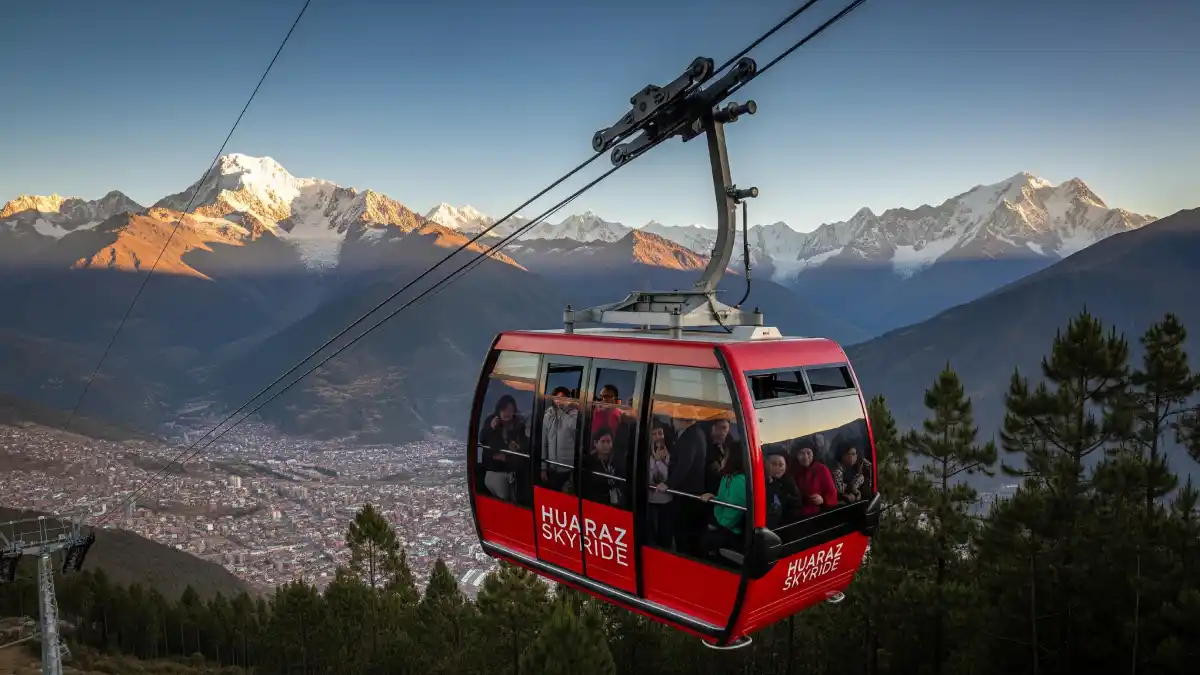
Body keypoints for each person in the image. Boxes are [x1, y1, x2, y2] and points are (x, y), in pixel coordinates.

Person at [699, 448, 747, 557]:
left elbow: (729, 519)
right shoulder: (726, 477)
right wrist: (715, 498)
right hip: (723, 520)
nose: (721, 459)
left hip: (735, 530)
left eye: (725, 456)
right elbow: (722, 499)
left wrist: (717, 506)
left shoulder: (739, 481)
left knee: (705, 539)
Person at [479, 395, 527, 502]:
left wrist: (517, 446)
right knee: (503, 498)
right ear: (499, 410)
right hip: (495, 469)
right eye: (504, 410)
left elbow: (524, 443)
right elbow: (482, 439)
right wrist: (491, 428)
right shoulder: (491, 421)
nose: (507, 413)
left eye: (510, 410)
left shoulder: (518, 423)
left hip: (513, 468)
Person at [541, 386, 577, 492]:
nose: (559, 401)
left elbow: (577, 436)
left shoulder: (574, 415)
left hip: (568, 468)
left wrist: (566, 413)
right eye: (556, 398)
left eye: (563, 398)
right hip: (551, 468)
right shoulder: (549, 415)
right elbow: (544, 443)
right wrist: (543, 468)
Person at [647, 422, 674, 547]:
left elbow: (669, 477)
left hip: (667, 500)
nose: (658, 436)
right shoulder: (646, 453)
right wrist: (656, 461)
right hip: (651, 499)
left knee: (666, 532)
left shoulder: (672, 451)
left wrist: (661, 461)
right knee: (652, 532)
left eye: (660, 433)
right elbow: (649, 479)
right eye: (654, 434)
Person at [582, 427, 623, 508]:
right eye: (603, 441)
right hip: (596, 502)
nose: (606, 445)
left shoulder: (618, 460)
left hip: (615, 503)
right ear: (595, 443)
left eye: (608, 442)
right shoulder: (589, 461)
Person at [792, 445, 836, 518]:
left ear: (813, 453)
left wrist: (823, 500)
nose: (805, 457)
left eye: (808, 452)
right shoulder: (793, 470)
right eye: (801, 453)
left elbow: (832, 494)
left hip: (820, 514)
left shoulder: (822, 469)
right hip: (800, 515)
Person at [763, 452, 801, 528]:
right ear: (765, 464)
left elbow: (797, 503)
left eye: (781, 465)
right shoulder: (762, 482)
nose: (778, 468)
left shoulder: (788, 481)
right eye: (773, 464)